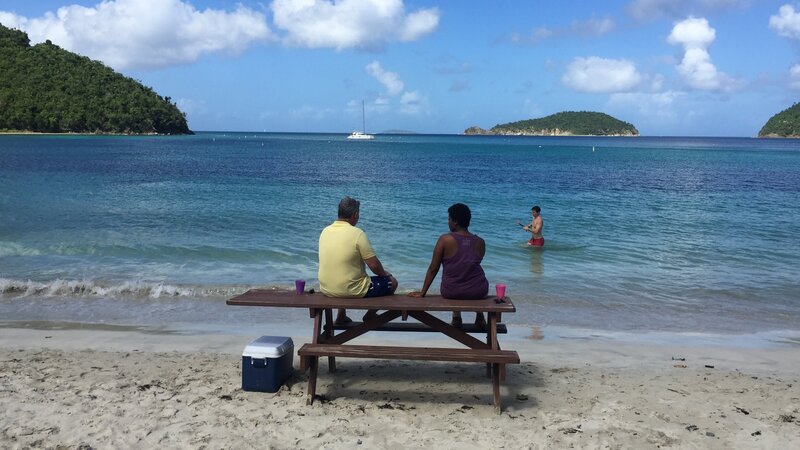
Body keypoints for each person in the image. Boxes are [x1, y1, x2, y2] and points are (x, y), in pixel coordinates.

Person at [318, 196, 398, 324]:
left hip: (327, 288)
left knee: (343, 272)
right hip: (350, 290)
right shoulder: (357, 233)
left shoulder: (325, 231)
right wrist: (385, 274)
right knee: (392, 283)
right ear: (355, 215)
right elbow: (373, 264)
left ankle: (341, 316)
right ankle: (370, 315)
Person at [409, 203, 489, 327]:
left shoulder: (445, 240)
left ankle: (456, 316)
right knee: (470, 275)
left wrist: (422, 292)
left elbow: (433, 268)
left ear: (455, 222)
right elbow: (467, 265)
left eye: (449, 219)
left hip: (452, 291)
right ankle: (479, 315)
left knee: (456, 278)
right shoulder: (480, 242)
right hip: (478, 291)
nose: (448, 222)